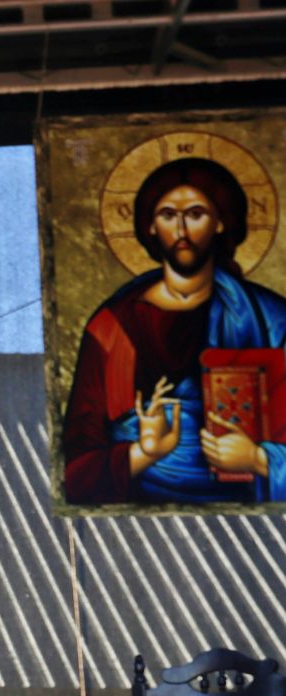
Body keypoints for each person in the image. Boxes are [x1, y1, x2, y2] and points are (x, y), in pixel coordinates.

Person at [62, 156, 286, 505]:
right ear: (150, 226)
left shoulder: (272, 319)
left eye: (195, 214)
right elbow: (77, 466)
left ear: (220, 223)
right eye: (168, 215)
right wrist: (144, 453)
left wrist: (258, 459)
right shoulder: (113, 327)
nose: (181, 229)